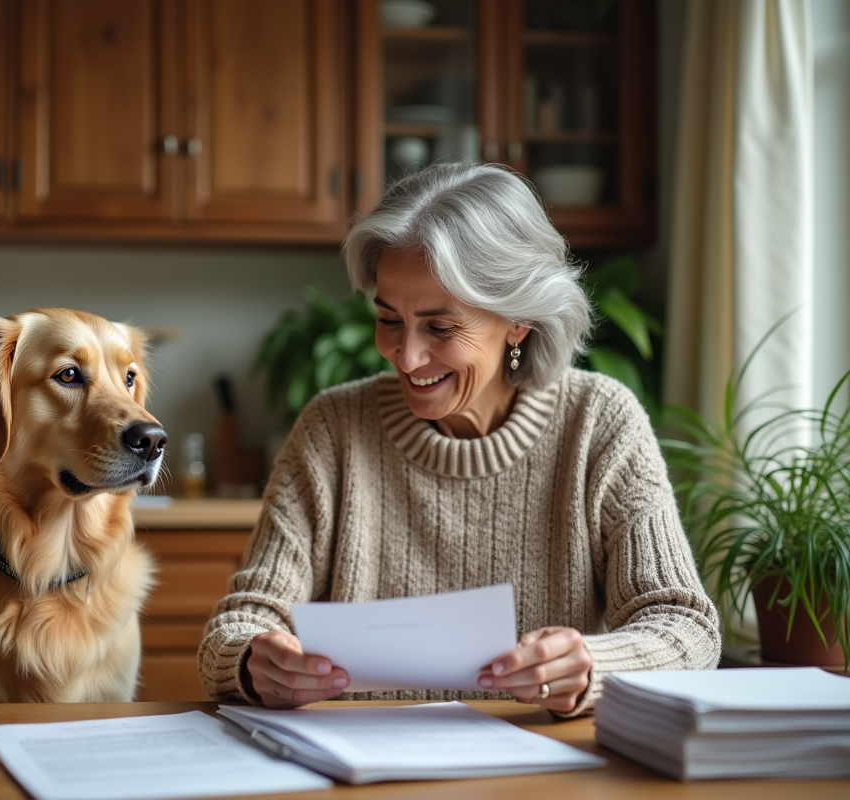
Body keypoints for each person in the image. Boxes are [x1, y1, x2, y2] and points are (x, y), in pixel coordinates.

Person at [197, 162, 720, 718]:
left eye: (441, 328)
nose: (408, 355)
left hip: (538, 766)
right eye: (389, 318)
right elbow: (240, 622)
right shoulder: (334, 429)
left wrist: (592, 664)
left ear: (518, 319)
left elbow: (685, 627)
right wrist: (254, 659)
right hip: (356, 762)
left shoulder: (598, 423)